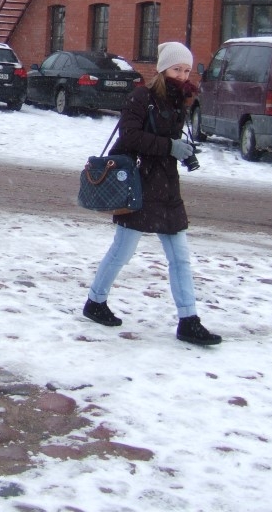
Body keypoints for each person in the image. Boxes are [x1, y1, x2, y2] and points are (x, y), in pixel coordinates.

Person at [82, 41, 222, 346]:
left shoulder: (179, 101)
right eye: (176, 69)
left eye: (186, 69)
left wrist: (182, 152)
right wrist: (169, 146)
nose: (183, 75)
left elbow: (165, 140)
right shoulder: (142, 97)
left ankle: (188, 320)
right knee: (122, 251)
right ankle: (95, 301)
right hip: (139, 185)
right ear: (162, 69)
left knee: (180, 258)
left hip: (167, 187)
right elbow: (129, 136)